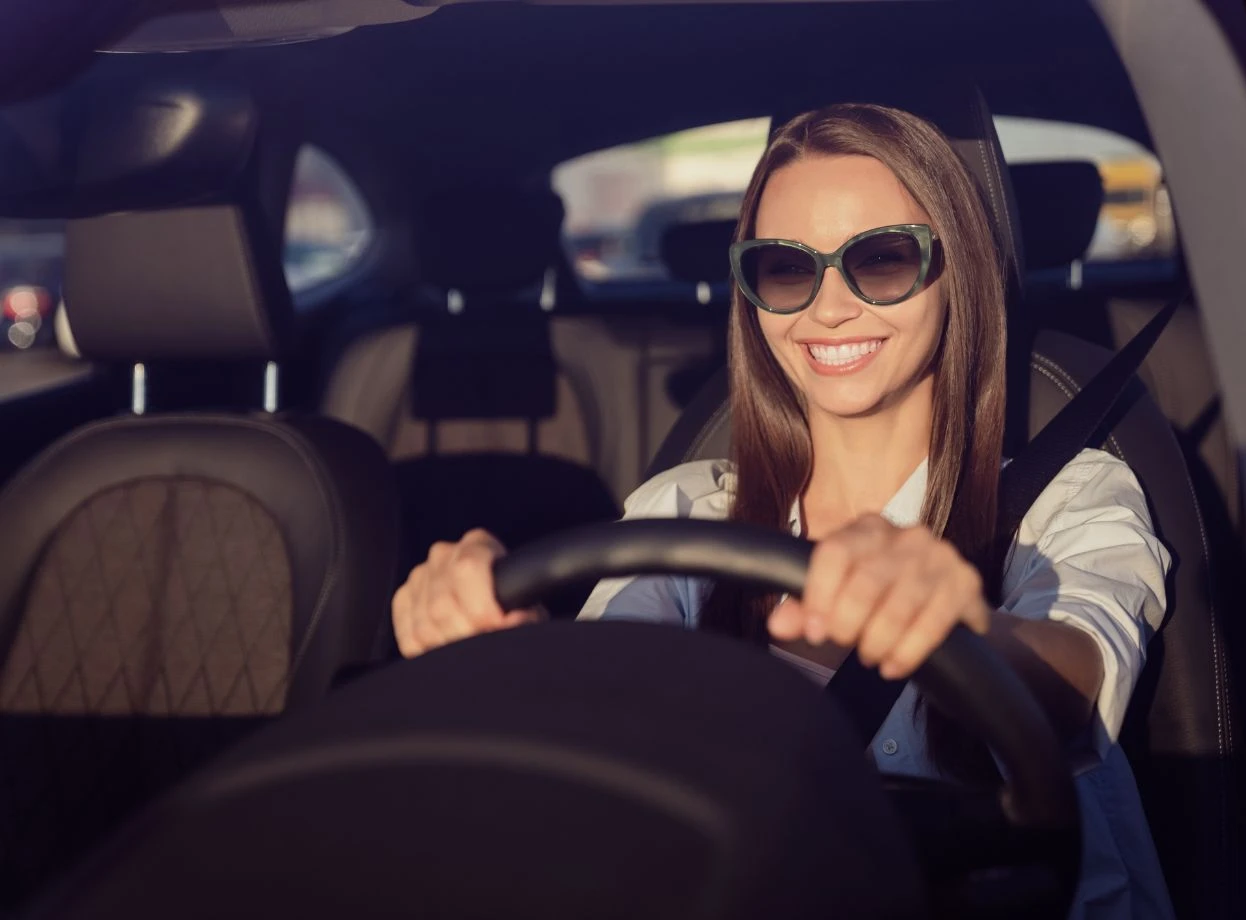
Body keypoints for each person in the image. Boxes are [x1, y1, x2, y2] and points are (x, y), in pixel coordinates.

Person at [392, 103, 1173, 919]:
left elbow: (1086, 667)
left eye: (880, 259)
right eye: (785, 269)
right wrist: (501, 647)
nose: (826, 307)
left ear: (958, 269)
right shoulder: (686, 514)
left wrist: (965, 634)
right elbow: (602, 688)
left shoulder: (1073, 496)